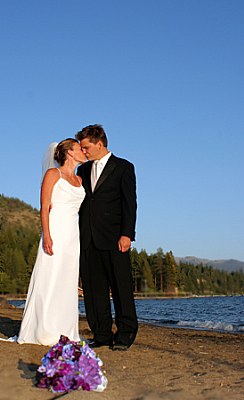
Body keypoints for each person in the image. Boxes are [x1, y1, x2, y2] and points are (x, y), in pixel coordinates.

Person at [18, 138, 86, 345]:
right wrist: (47, 234)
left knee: (67, 279)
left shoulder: (80, 180)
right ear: (70, 153)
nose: (83, 151)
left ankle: (65, 329)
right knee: (50, 275)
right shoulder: (53, 174)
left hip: (73, 235)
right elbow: (45, 206)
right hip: (55, 230)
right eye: (79, 148)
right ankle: (43, 329)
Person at [76, 124, 138, 351]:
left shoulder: (123, 167)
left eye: (86, 147)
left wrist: (127, 234)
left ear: (99, 144)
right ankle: (101, 334)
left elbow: (129, 203)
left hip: (115, 238)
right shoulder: (82, 171)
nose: (83, 152)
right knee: (93, 290)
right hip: (88, 239)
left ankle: (125, 334)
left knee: (121, 287)